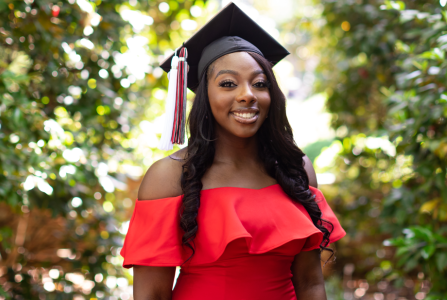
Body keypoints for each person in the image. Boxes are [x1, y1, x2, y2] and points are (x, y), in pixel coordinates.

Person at [120, 3, 346, 300]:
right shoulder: (169, 177)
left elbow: (310, 283)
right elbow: (152, 295)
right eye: (228, 84)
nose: (247, 95)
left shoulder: (295, 168)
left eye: (259, 83)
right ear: (205, 94)